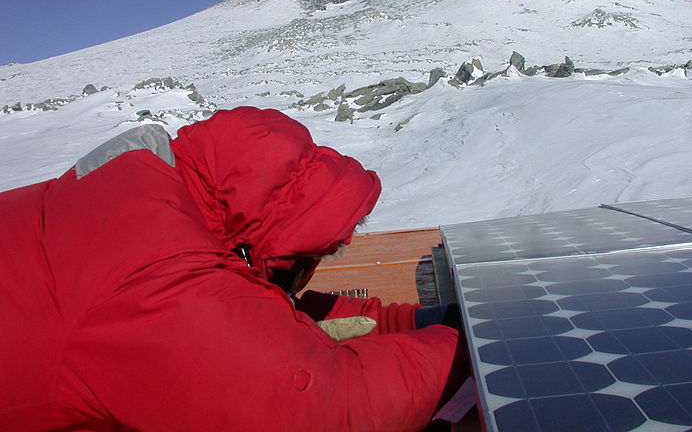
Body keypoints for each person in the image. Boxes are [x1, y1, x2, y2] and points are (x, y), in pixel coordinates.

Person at [0, 106, 466, 431]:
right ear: (258, 244)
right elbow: (328, 406)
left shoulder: (141, 193)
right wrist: (475, 343)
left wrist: (413, 322)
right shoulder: (155, 273)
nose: (303, 280)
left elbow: (262, 309)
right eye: (301, 266)